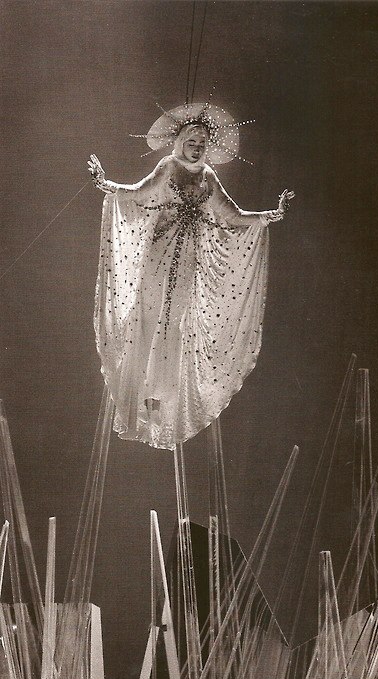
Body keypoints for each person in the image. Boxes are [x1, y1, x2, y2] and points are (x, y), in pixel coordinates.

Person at [88, 114, 294, 450]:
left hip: (187, 262)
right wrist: (106, 183)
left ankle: (156, 404)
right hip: (159, 254)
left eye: (202, 144)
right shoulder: (169, 166)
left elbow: (232, 215)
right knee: (149, 321)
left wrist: (270, 215)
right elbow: (139, 192)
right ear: (180, 142)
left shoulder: (208, 176)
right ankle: (134, 402)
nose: (196, 149)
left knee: (172, 329)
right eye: (191, 142)